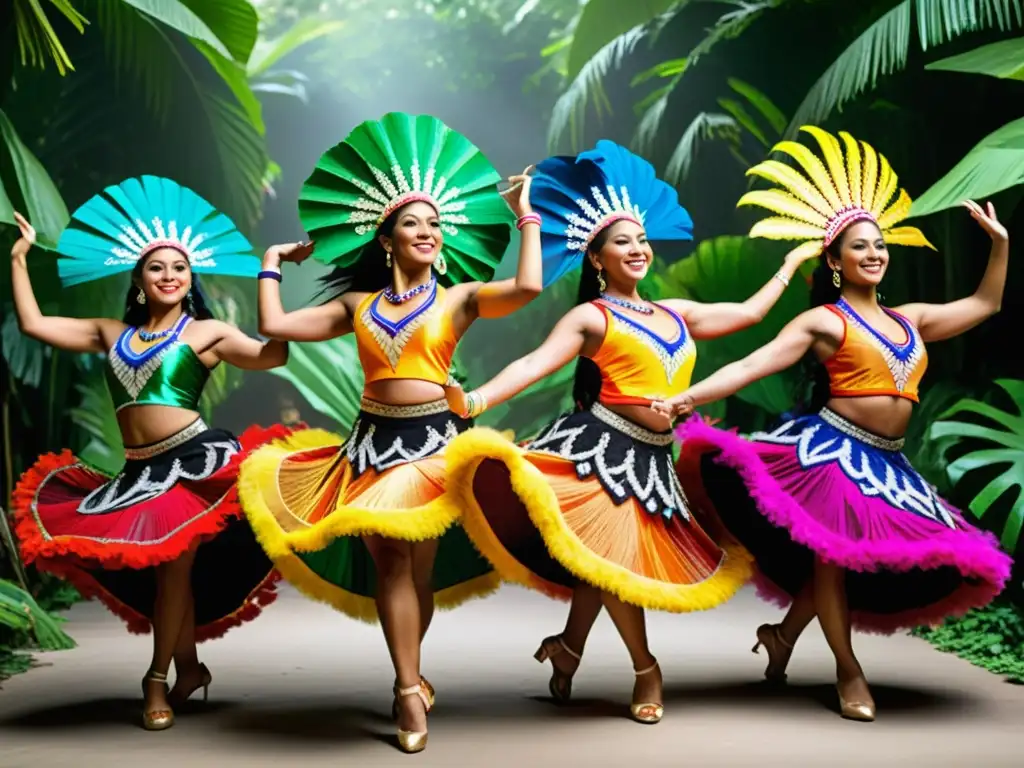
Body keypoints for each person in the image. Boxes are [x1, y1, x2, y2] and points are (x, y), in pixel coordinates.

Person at [442, 140, 820, 723]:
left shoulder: (674, 312)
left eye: (641, 239)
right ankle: (647, 669)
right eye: (623, 241)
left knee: (603, 563)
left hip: (653, 461)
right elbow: (533, 365)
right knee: (612, 560)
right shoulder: (591, 317)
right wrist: (474, 399)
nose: (638, 248)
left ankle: (566, 649)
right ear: (597, 259)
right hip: (600, 451)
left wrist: (789, 267)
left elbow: (747, 314)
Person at [660, 127, 1013, 721]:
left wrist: (1000, 244)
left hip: (890, 464)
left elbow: (985, 305)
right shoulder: (825, 321)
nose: (874, 254)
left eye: (880, 245)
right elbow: (751, 363)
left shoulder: (914, 318)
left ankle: (782, 637)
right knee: (831, 556)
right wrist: (685, 398)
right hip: (832, 454)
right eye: (859, 247)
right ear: (834, 260)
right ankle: (849, 673)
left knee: (846, 559)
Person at [238, 112, 541, 753]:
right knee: (394, 565)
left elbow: (529, 286)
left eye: (435, 224)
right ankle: (408, 688)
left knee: (416, 572)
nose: (428, 232)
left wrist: (526, 216)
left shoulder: (461, 297)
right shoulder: (356, 306)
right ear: (387, 238)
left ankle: (408, 674)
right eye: (413, 222)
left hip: (434, 444)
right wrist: (270, 261)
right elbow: (277, 325)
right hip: (369, 444)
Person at [9, 177, 293, 730]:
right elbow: (34, 324)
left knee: (171, 573)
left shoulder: (207, 332)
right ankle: (189, 668)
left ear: (191, 279)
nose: (169, 276)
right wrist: (20, 258)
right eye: (157, 267)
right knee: (171, 577)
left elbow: (272, 354)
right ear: (139, 279)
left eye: (179, 268)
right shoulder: (109, 330)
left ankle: (156, 680)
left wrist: (271, 274)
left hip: (192, 465)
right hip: (138, 472)